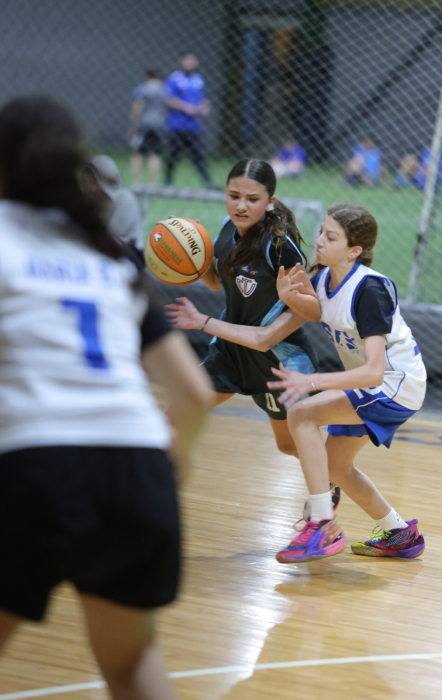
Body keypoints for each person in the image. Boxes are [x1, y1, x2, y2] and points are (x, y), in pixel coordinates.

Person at [0, 96, 213, 700]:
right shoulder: (108, 259)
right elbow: (194, 395)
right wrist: (177, 458)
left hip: (35, 465)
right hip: (138, 472)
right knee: (131, 665)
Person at [266, 204, 427, 562]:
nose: (319, 241)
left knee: (302, 415)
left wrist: (311, 380)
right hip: (375, 384)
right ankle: (400, 534)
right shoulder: (324, 279)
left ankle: (321, 524)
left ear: (354, 250)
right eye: (321, 232)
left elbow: (373, 372)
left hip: (395, 385)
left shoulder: (369, 289)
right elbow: (317, 311)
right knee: (335, 466)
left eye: (331, 237)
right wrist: (290, 297)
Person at [165, 158, 320, 460]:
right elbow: (216, 283)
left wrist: (202, 321)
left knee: (289, 445)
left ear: (270, 202)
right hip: (232, 351)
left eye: (252, 199)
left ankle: (331, 478)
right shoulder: (227, 230)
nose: (241, 206)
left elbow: (312, 310)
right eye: (234, 196)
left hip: (277, 360)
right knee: (173, 418)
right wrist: (190, 252)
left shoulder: (279, 247)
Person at [81, 154, 146, 262]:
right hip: (99, 252)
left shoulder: (125, 198)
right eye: (86, 182)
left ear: (103, 181)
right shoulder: (90, 201)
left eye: (93, 182)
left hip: (127, 254)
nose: (89, 188)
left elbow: (113, 234)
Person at [164, 52, 214, 188]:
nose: (189, 63)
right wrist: (186, 107)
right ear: (181, 62)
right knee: (173, 155)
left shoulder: (198, 79)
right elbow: (168, 99)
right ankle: (167, 183)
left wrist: (205, 107)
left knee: (199, 155)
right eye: (186, 61)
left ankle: (208, 183)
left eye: (192, 61)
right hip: (177, 125)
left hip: (193, 126)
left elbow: (203, 98)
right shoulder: (174, 78)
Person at [128, 67, 166, 185]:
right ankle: (153, 183)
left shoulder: (142, 88)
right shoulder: (164, 88)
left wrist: (133, 125)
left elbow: (138, 106)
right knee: (155, 153)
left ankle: (136, 182)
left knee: (137, 152)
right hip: (159, 124)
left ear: (146, 76)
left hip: (143, 124)